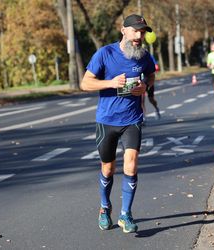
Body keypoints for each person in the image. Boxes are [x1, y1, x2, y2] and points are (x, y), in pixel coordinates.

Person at [80, 14, 155, 233]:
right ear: (124, 30)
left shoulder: (144, 56)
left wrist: (146, 87)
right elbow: (85, 83)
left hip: (132, 119)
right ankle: (105, 207)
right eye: (136, 31)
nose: (139, 36)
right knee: (109, 168)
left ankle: (126, 214)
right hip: (107, 120)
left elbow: (151, 75)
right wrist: (110, 83)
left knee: (131, 164)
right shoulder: (105, 53)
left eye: (142, 32)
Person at [141, 54, 161, 122]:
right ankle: (143, 117)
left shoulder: (148, 56)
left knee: (151, 99)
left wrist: (156, 67)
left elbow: (155, 67)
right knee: (141, 100)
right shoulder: (133, 57)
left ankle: (156, 109)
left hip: (148, 82)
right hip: (141, 82)